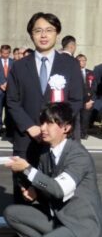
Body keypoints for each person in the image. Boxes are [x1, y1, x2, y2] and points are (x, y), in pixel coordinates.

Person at [4, 103, 102, 237]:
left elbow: (58, 190)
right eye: (42, 123)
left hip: (82, 226)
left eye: (49, 123)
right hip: (60, 218)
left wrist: (27, 169)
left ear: (66, 128)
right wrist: (34, 191)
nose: (43, 128)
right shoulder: (46, 152)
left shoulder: (78, 155)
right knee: (12, 213)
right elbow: (48, 186)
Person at [6, 13, 82, 203]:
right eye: (38, 30)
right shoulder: (19, 66)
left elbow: (76, 100)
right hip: (27, 139)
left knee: (58, 191)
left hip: (59, 138)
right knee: (24, 192)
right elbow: (12, 101)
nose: (43, 35)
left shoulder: (70, 64)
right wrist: (30, 127)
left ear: (57, 33)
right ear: (31, 34)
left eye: (49, 30)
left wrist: (57, 126)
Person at [76, 54, 96, 140]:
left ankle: (83, 134)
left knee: (85, 118)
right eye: (80, 60)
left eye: (84, 60)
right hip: (77, 99)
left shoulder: (90, 73)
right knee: (76, 118)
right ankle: (76, 133)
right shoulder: (74, 72)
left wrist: (91, 100)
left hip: (88, 100)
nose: (83, 62)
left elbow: (95, 87)